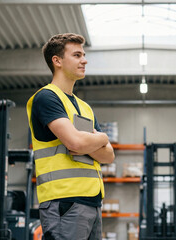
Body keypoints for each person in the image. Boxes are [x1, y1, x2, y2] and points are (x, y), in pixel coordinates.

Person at [26, 33, 115, 240]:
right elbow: (75, 142)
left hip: (91, 201)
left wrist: (94, 142)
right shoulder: (47, 97)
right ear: (57, 61)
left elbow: (109, 156)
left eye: (83, 55)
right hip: (64, 202)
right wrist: (101, 139)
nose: (84, 60)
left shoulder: (84, 107)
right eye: (76, 55)